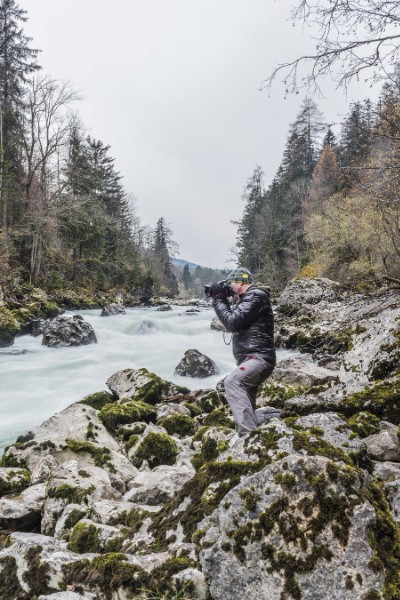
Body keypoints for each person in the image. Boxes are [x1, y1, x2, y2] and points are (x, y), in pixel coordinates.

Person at [209, 267, 279, 436]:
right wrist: (222, 300)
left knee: (232, 382)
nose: (229, 287)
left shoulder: (256, 296)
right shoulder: (248, 299)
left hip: (259, 359)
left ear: (240, 283)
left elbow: (232, 323)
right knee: (246, 399)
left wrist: (218, 299)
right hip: (249, 359)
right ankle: (265, 422)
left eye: (231, 283)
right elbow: (234, 321)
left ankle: (248, 438)